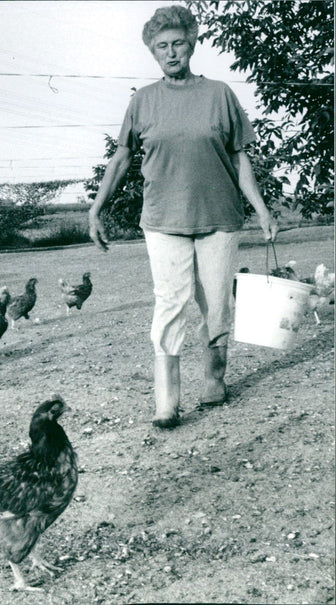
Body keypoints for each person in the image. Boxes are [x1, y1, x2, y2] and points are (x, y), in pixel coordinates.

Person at [88, 5, 278, 429]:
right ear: (152, 53)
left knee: (215, 302)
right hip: (162, 220)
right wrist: (97, 207)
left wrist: (262, 210)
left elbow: (240, 157)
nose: (171, 52)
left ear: (192, 44)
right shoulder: (143, 101)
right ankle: (166, 401)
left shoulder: (220, 95)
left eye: (177, 43)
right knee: (169, 303)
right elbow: (121, 158)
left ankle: (214, 379)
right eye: (161, 47)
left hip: (219, 217)